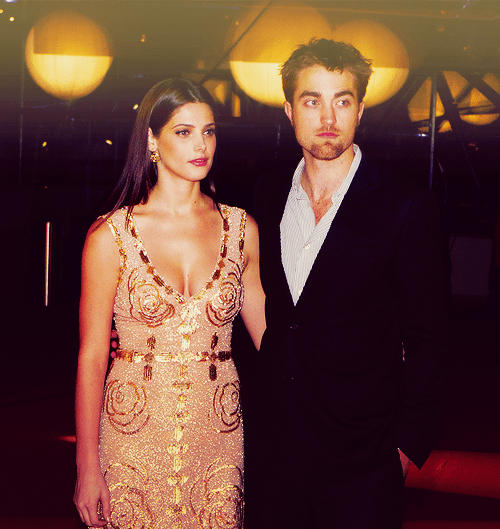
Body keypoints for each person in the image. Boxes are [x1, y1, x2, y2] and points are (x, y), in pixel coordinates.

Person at [245, 39, 448, 529]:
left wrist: (406, 445)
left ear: (360, 109)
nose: (327, 117)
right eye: (312, 100)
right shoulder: (266, 195)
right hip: (274, 450)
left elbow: (430, 338)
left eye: (342, 100)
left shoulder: (406, 205)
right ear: (289, 110)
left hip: (364, 458)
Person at [74, 78, 266, 529]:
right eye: (184, 132)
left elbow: (272, 341)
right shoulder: (110, 236)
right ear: (151, 140)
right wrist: (86, 466)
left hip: (217, 433)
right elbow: (92, 355)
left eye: (209, 131)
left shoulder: (242, 230)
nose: (201, 145)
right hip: (131, 434)